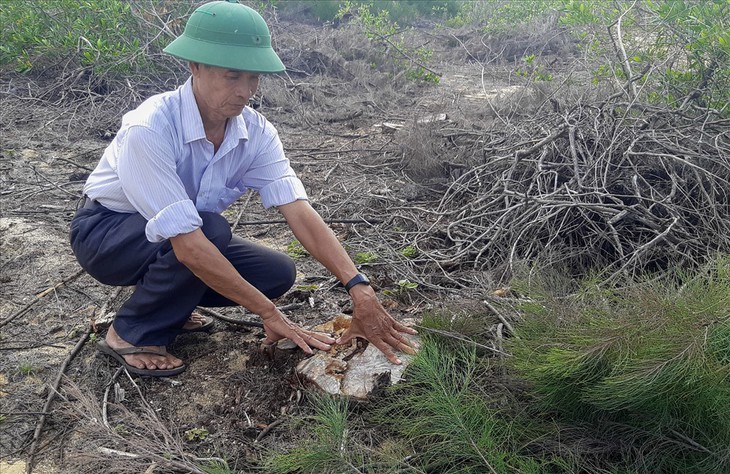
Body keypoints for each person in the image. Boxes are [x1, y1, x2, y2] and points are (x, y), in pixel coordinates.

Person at [69, 0, 416, 377]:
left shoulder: (255, 132)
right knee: (209, 231)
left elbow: (297, 209)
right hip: (106, 235)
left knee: (275, 274)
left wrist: (358, 287)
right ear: (195, 66)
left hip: (177, 236)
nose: (245, 91)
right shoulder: (150, 128)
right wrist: (268, 313)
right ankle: (129, 333)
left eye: (253, 78)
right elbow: (188, 244)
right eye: (232, 76)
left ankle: (172, 303)